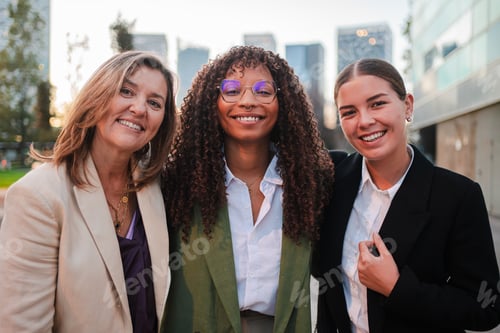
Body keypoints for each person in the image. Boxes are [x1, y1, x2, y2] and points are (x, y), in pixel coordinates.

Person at [313, 58, 500, 332]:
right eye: (349, 112)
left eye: (377, 104)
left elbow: (488, 307)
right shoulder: (331, 177)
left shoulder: (457, 196)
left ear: (408, 105)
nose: (364, 121)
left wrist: (397, 288)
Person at [160, 45, 335, 332]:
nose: (247, 101)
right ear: (211, 101)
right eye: (231, 90)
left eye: (264, 91)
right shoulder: (178, 183)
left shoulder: (311, 184)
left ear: (284, 103)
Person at [0, 51, 178, 332]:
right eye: (126, 91)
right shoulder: (38, 196)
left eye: (154, 103)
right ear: (98, 96)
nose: (139, 108)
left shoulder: (157, 187)